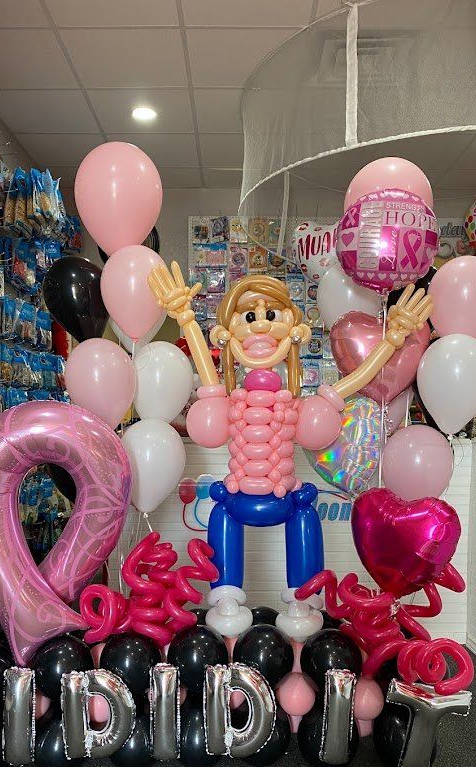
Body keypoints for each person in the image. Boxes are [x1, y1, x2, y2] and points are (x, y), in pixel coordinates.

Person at [148, 262, 432, 637]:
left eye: (271, 315)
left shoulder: (294, 404)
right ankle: (225, 597)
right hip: (236, 498)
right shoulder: (229, 401)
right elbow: (208, 379)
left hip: (287, 498)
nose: (262, 326)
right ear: (226, 334)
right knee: (222, 516)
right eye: (249, 317)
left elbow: (354, 381)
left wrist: (392, 339)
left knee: (305, 514)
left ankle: (304, 599)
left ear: (294, 331)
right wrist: (185, 318)